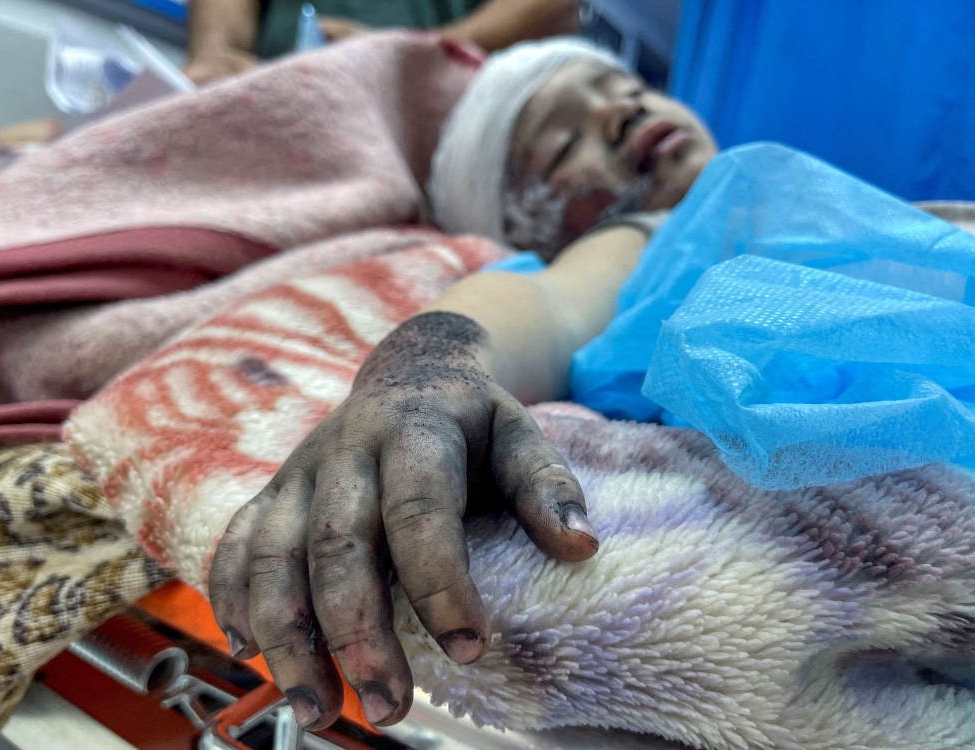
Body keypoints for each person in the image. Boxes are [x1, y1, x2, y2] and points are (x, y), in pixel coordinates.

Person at [208, 38, 718, 730]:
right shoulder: (657, 236)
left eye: (625, 87)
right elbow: (545, 305)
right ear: (520, 226)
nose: (623, 113)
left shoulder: (813, 199)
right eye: (566, 145)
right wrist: (417, 379)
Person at [185, 0, 582, 85]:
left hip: (424, 123)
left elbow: (557, 8)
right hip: (261, 93)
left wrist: (406, 52)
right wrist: (217, 53)